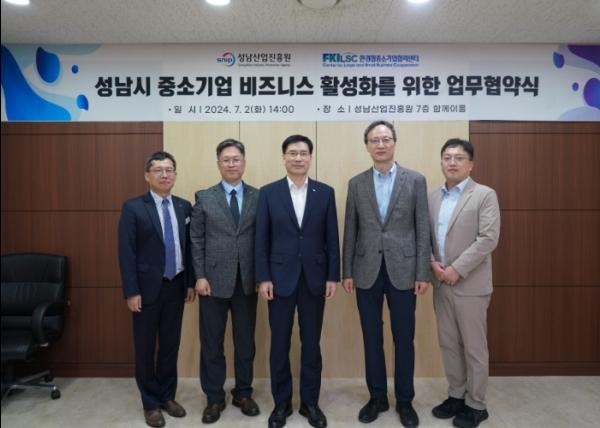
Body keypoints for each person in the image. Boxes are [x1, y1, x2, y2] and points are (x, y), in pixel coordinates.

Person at [342, 120, 431, 428]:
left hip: (404, 270)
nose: (380, 145)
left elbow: (422, 228)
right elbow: (350, 229)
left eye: (385, 139)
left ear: (394, 142)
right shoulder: (356, 183)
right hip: (366, 269)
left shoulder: (415, 180)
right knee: (371, 337)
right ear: (367, 146)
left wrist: (422, 272)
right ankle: (377, 397)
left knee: (404, 338)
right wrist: (347, 271)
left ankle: (405, 400)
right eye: (374, 140)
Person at [255, 135, 340, 428]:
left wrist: (332, 275)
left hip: (315, 279)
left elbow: (332, 238)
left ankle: (309, 402)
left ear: (310, 158)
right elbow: (261, 239)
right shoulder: (269, 193)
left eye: (303, 153)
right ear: (284, 158)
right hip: (279, 280)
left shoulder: (325, 192)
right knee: (279, 343)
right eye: (292, 153)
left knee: (311, 343)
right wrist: (263, 277)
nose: (298, 158)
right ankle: (281, 403)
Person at [118, 151, 196, 428]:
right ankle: (150, 403)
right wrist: (131, 291)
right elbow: (126, 253)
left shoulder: (184, 207)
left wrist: (189, 283)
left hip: (176, 286)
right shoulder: (133, 208)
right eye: (158, 170)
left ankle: (167, 396)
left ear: (175, 174)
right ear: (147, 175)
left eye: (169, 170)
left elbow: (189, 249)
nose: (165, 175)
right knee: (145, 348)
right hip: (146, 290)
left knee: (170, 346)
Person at [428, 138, 500, 428]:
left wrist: (456, 269)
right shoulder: (432, 197)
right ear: (441, 162)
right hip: (440, 282)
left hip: (470, 285)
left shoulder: (484, 195)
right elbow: (425, 236)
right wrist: (432, 263)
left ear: (471, 164)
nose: (452, 162)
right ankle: (456, 396)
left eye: (459, 158)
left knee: (474, 348)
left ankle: (476, 404)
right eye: (447, 157)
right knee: (449, 344)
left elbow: (488, 238)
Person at [190, 139, 260, 424]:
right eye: (226, 160)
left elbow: (264, 239)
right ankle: (214, 397)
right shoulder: (204, 197)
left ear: (244, 162)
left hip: (247, 282)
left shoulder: (259, 197)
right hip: (212, 282)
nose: (231, 164)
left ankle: (243, 393)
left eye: (236, 159)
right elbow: (196, 239)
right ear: (218, 164)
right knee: (212, 343)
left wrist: (262, 276)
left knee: (245, 343)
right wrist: (199, 276)